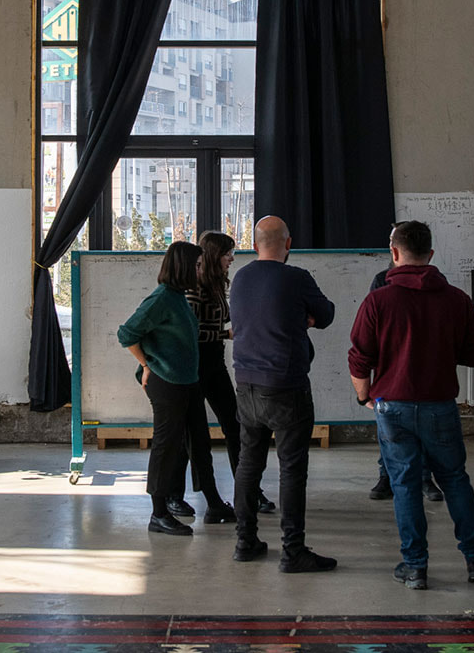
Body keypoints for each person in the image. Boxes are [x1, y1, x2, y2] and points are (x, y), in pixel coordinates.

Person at [348, 220, 474, 590]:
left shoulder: (377, 301)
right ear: (430, 254)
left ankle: (415, 567)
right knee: (455, 480)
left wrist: (365, 396)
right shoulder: (457, 300)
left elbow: (359, 358)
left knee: (405, 484)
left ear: (394, 253)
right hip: (439, 404)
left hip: (392, 406)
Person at [228, 215, 337, 573]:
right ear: (288, 244)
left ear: (254, 244)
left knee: (248, 464)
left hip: (245, 384)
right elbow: (326, 314)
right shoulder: (297, 278)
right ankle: (293, 551)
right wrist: (303, 315)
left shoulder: (240, 277)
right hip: (286, 386)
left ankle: (245, 542)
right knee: (291, 469)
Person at [117, 240, 207, 537]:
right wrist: (146, 364)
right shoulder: (162, 298)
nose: (201, 271)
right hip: (167, 383)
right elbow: (127, 333)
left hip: (185, 382)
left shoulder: (178, 297)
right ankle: (158, 514)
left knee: (182, 445)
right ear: (184, 267)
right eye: (197, 266)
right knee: (165, 446)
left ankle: (172, 501)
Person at [179, 231, 249, 521]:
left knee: (234, 424)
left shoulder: (217, 283)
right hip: (197, 364)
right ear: (212, 256)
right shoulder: (195, 287)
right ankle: (180, 497)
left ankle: (247, 490)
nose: (231, 259)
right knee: (194, 435)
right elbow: (190, 332)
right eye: (226, 254)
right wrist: (224, 334)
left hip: (214, 362)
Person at [368, 265, 445, 505]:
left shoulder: (434, 281)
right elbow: (372, 327)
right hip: (390, 368)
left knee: (422, 428)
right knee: (388, 428)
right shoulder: (382, 279)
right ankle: (386, 476)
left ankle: (424, 478)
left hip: (424, 367)